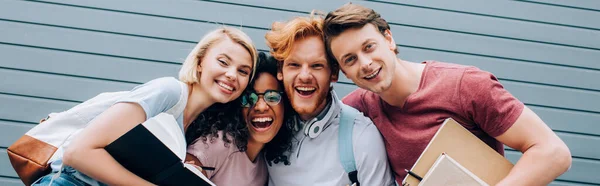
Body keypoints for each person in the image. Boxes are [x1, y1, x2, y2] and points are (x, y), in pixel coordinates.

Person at [323, 4, 572, 185]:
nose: (365, 63)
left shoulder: (465, 86)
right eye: (350, 59)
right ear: (343, 71)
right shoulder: (356, 109)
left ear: (388, 38)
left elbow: (553, 152)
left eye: (369, 47)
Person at [32, 27, 258, 186]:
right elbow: (78, 153)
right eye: (223, 62)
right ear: (200, 63)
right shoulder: (168, 92)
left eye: (243, 71)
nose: (231, 75)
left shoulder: (191, 126)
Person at [264, 12, 395, 186]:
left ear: (333, 73)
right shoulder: (266, 125)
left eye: (316, 65)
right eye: (294, 65)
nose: (304, 76)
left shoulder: (361, 137)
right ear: (280, 71)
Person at [185, 52, 295, 186]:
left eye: (272, 97)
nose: (260, 106)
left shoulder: (264, 165)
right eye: (249, 98)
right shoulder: (216, 145)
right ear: (236, 106)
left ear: (286, 106)